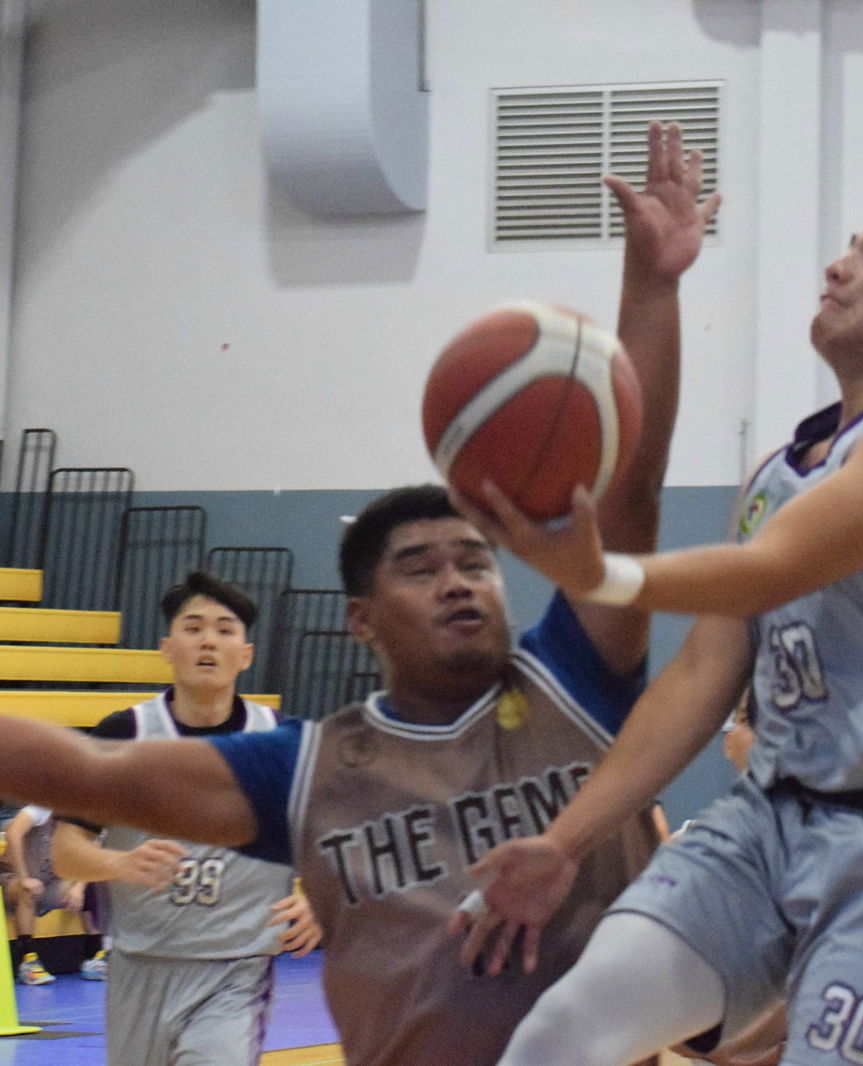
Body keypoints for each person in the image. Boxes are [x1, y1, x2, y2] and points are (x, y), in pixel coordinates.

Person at [0, 119, 714, 1066]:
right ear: (361, 620)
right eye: (420, 569)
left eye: (474, 560)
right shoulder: (309, 771)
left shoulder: (570, 684)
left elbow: (629, 494)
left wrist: (652, 284)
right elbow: (82, 776)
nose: (458, 582)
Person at [452, 187, 863, 1066]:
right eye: (848, 247)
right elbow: (702, 672)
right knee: (562, 1034)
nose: (838, 265)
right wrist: (565, 842)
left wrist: (600, 572)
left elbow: (772, 569)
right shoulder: (777, 473)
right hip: (763, 823)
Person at [51, 572, 322, 1066]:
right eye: (193, 627)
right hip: (141, 963)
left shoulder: (281, 740)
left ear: (246, 654)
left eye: (224, 629)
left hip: (236, 968)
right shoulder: (126, 733)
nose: (208, 641)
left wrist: (325, 901)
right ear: (167, 647)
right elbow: (65, 850)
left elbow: (344, 838)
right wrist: (120, 863)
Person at [3, 804, 97, 985]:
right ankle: (28, 961)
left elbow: (94, 847)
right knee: (26, 891)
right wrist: (23, 877)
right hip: (16, 879)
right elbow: (13, 833)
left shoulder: (78, 815)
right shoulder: (38, 809)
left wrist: (78, 887)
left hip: (48, 884)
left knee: (91, 884)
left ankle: (95, 956)